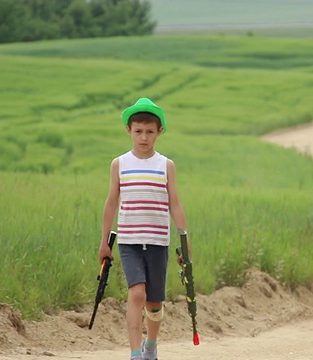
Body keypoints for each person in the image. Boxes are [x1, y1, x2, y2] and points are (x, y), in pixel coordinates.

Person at [99, 97, 191, 360]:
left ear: (159, 132)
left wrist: (185, 241)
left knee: (153, 302)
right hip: (129, 241)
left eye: (150, 132)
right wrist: (104, 241)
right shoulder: (119, 164)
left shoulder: (166, 166)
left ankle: (151, 344)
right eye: (138, 131)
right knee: (136, 293)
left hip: (157, 242)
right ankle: (135, 353)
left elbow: (175, 204)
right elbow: (111, 203)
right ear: (129, 130)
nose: (143, 137)